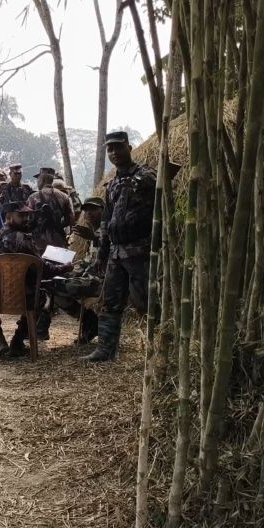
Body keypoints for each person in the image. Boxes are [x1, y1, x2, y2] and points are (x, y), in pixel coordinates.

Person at [81, 131, 157, 363]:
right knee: (111, 302)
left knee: (147, 302)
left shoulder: (147, 177)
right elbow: (106, 220)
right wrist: (102, 254)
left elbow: (161, 206)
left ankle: (159, 349)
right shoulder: (111, 184)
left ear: (129, 147)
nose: (114, 153)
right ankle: (105, 349)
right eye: (110, 149)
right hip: (116, 253)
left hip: (140, 252)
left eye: (118, 147)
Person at [0, 201, 73, 358]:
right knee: (43, 297)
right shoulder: (22, 239)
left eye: (27, 215)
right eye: (22, 216)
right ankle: (18, 341)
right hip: (21, 297)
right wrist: (64, 267)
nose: (27, 219)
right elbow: (43, 270)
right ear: (9, 217)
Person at [51, 196, 105, 343]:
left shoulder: (107, 232)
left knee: (53, 287)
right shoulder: (94, 233)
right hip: (90, 278)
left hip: (103, 282)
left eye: (93, 209)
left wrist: (95, 238)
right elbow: (87, 262)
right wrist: (67, 271)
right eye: (86, 210)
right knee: (51, 284)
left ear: (103, 211)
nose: (88, 213)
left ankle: (90, 320)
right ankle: (89, 321)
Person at [26, 168, 75, 254]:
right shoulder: (64, 196)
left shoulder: (32, 198)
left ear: (42, 179)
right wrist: (59, 225)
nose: (37, 182)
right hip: (58, 242)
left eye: (38, 179)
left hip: (38, 245)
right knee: (60, 266)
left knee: (41, 267)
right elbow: (71, 219)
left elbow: (27, 221)